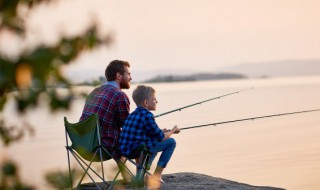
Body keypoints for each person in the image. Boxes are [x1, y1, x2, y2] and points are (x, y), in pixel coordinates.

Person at [79, 59, 132, 182]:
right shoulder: (119, 95)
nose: (131, 77)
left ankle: (127, 176)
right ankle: (137, 177)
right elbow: (127, 127)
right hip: (101, 148)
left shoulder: (94, 91)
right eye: (128, 74)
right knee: (135, 137)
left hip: (83, 145)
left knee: (114, 135)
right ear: (118, 76)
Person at [119, 85, 180, 184]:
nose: (157, 102)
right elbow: (161, 137)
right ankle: (156, 175)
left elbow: (146, 131)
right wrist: (173, 130)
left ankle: (142, 174)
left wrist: (161, 131)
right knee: (171, 142)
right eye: (154, 99)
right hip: (138, 150)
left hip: (125, 151)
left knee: (152, 141)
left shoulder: (132, 115)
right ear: (146, 103)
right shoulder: (147, 115)